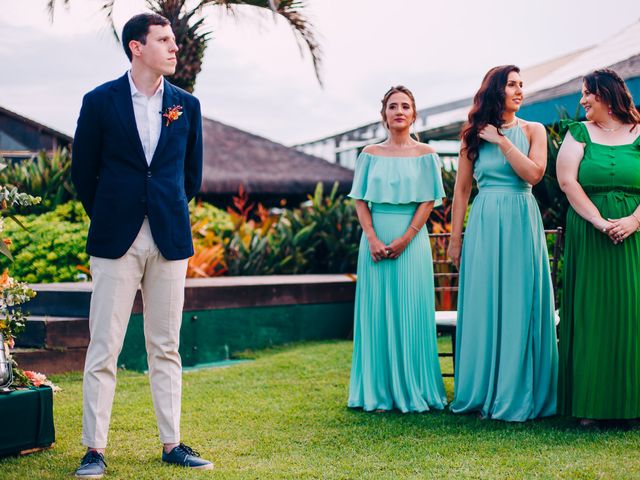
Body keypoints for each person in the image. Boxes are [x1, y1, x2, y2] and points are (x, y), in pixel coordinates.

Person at [71, 13, 212, 478]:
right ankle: (94, 450)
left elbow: (189, 176)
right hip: (115, 239)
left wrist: (162, 209)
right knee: (104, 346)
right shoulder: (99, 101)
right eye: (165, 40)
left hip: (170, 237)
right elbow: (83, 173)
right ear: (137, 47)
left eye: (174, 40)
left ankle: (172, 443)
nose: (175, 47)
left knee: (166, 346)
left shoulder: (186, 105)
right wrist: (113, 215)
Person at [447, 65, 558, 421]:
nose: (519, 90)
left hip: (521, 217)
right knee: (484, 302)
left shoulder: (533, 130)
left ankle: (518, 390)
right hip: (484, 221)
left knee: (519, 300)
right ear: (496, 90)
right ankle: (481, 390)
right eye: (512, 84)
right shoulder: (472, 136)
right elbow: (461, 191)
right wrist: (454, 240)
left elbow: (534, 174)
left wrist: (503, 141)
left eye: (522, 85)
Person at [347, 86, 447, 413]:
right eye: (393, 106)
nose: (399, 111)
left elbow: (428, 200)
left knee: (412, 311)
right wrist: (373, 238)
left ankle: (416, 388)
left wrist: (406, 238)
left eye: (405, 106)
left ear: (414, 113)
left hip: (413, 242)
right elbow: (360, 199)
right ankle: (375, 392)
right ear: (384, 115)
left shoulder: (427, 155)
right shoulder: (369, 154)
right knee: (376, 315)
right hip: (374, 242)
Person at [556, 68, 640, 426]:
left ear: (605, 94)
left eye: (587, 93)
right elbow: (566, 181)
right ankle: (590, 404)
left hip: (635, 234)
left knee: (632, 315)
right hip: (590, 236)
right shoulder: (578, 133)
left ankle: (632, 405)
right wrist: (599, 222)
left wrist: (634, 221)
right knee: (592, 314)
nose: (582, 100)